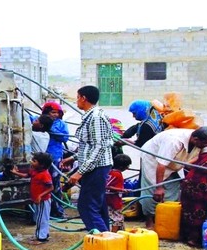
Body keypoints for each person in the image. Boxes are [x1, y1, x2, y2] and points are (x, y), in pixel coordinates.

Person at [136, 127, 207, 230]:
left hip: (176, 162)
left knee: (173, 190)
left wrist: (186, 165)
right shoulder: (173, 141)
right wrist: (159, 187)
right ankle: (149, 220)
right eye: (205, 144)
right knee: (152, 191)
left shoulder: (203, 142)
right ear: (196, 139)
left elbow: (204, 158)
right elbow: (161, 165)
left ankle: (166, 219)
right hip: (154, 161)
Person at [61, 86, 113, 233]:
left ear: (84, 98)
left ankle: (103, 240)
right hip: (93, 167)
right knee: (98, 205)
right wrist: (73, 158)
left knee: (86, 206)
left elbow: (99, 147)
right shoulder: (90, 116)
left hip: (96, 168)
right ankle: (107, 238)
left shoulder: (96, 117)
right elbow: (88, 146)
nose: (76, 101)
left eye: (77, 97)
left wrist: (80, 172)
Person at [31, 101, 70, 218]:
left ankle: (57, 211)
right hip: (39, 158)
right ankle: (37, 210)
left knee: (54, 184)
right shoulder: (38, 120)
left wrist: (50, 130)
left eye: (57, 113)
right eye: (53, 112)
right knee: (38, 183)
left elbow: (65, 138)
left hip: (54, 157)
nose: (55, 115)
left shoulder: (61, 124)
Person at [11, 152, 54, 244]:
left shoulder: (45, 174)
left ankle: (41, 238)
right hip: (38, 200)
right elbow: (27, 175)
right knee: (40, 217)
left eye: (34, 161)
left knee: (41, 218)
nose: (31, 162)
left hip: (43, 200)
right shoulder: (34, 171)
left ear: (41, 165)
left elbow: (51, 188)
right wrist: (16, 173)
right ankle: (42, 235)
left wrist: (40, 195)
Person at [106, 154, 132, 233]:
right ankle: (113, 234)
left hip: (111, 200)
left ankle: (119, 233)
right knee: (117, 218)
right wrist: (122, 190)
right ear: (122, 167)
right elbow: (107, 186)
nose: (128, 168)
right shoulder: (116, 174)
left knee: (118, 218)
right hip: (113, 201)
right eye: (127, 166)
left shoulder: (110, 172)